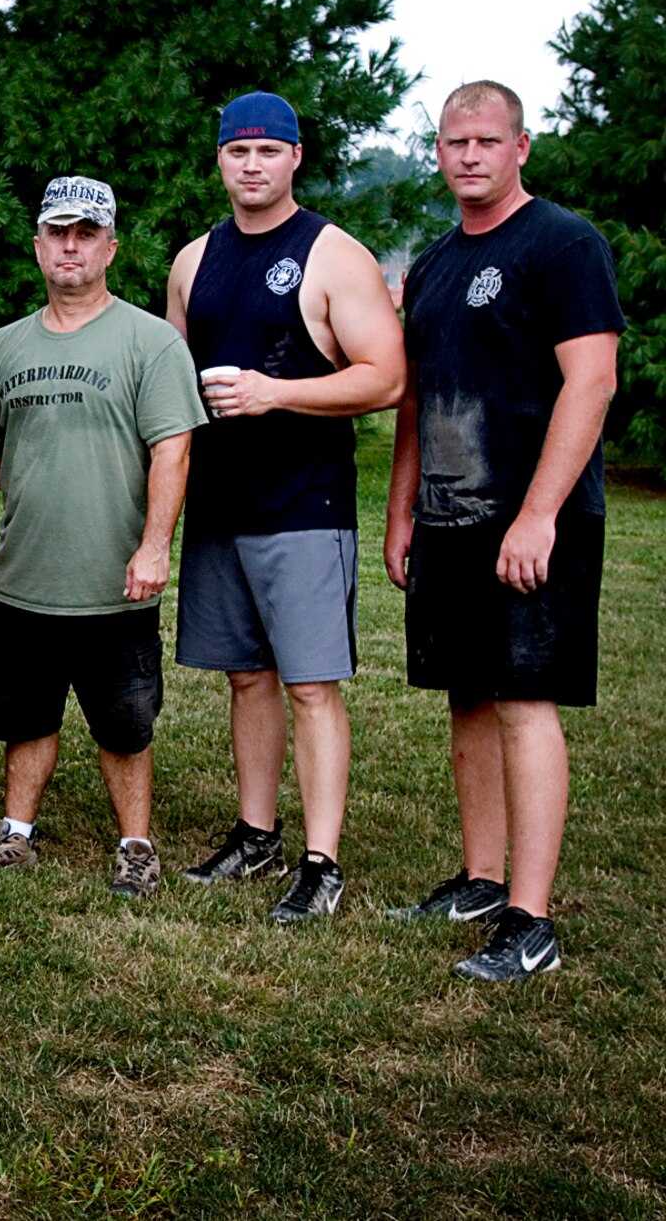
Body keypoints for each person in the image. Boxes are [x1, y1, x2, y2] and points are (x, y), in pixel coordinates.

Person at [385, 80, 620, 981]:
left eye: (487, 139)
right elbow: (416, 396)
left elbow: (590, 382)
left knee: (526, 704)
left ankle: (532, 919)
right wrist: (404, 507)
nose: (470, 155)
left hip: (535, 522)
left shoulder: (563, 245)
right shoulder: (438, 261)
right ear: (438, 152)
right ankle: (482, 878)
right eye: (454, 141)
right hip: (450, 519)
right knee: (469, 698)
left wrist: (537, 514)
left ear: (522, 147)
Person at [162, 92, 405, 924]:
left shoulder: (333, 254)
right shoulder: (195, 260)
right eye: (239, 152)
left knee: (310, 686)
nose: (253, 165)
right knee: (245, 677)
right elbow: (172, 388)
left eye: (270, 150)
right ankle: (256, 832)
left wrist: (275, 392)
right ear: (221, 161)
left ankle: (321, 859)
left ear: (296, 157)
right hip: (220, 505)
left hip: (306, 502)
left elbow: (385, 376)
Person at [0, 177, 206, 898]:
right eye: (57, 232)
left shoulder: (150, 342)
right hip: (26, 577)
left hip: (113, 583)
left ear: (110, 248)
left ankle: (135, 844)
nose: (70, 244)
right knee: (25, 715)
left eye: (86, 233)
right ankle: (15, 835)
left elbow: (172, 450)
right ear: (37, 247)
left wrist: (155, 546)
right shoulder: (3, 347)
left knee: (124, 722)